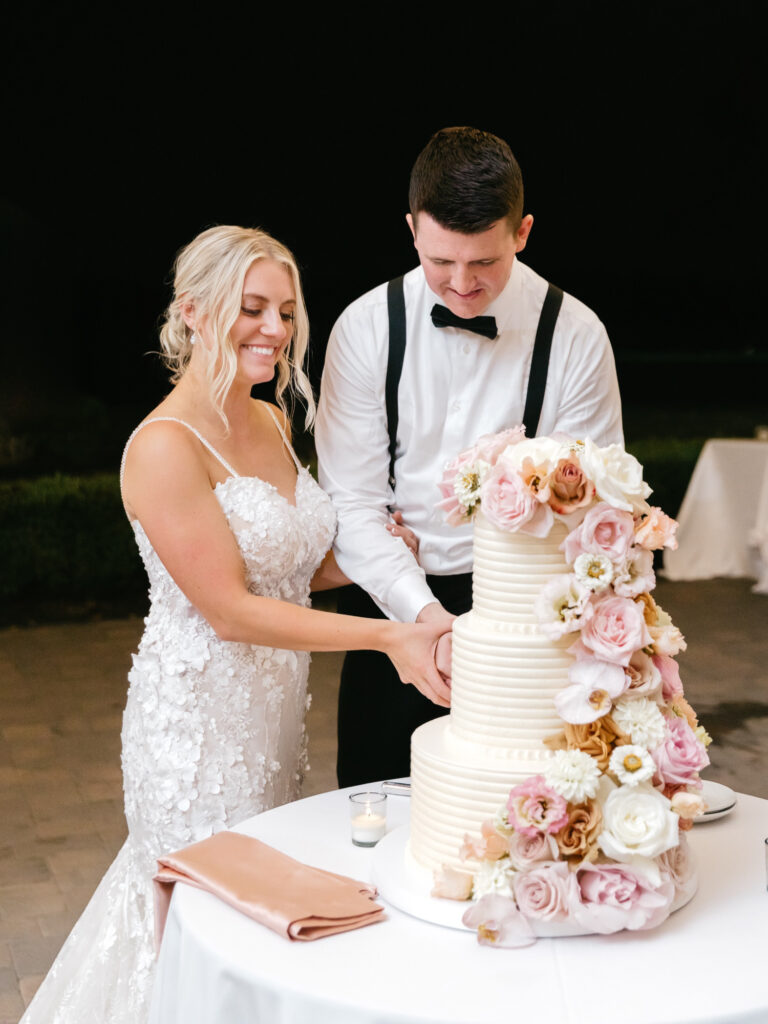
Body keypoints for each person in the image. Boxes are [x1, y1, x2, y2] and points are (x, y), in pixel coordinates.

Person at [20, 225, 449, 1024]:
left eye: (286, 311)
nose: (276, 331)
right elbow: (229, 609)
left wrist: (360, 562)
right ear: (193, 313)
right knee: (200, 925)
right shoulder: (161, 447)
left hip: (272, 723)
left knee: (260, 914)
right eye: (252, 309)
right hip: (194, 734)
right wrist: (388, 634)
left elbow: (288, 569)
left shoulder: (270, 422)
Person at [315, 126, 624, 788]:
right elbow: (353, 503)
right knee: (376, 811)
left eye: (483, 263)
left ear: (523, 231)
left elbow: (592, 510)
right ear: (411, 230)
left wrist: (495, 635)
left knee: (521, 814)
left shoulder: (575, 336)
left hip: (527, 615)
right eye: (441, 262)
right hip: (390, 604)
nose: (460, 285)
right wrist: (426, 619)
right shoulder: (365, 329)